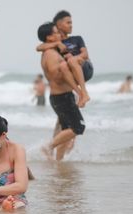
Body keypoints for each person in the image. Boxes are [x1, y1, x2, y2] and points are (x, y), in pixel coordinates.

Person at [38, 22, 86, 161]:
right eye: (56, 32)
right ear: (49, 37)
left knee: (66, 131)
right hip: (61, 97)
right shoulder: (50, 54)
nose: (59, 34)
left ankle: (58, 161)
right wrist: (69, 67)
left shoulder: (51, 50)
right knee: (78, 127)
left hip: (64, 96)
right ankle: (48, 147)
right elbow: (56, 77)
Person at [36, 10, 92, 108]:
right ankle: (79, 96)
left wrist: (76, 58)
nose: (71, 25)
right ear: (59, 25)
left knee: (71, 60)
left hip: (85, 67)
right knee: (63, 67)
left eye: (71, 23)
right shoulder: (57, 43)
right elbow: (39, 47)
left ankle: (84, 93)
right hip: (72, 71)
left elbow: (85, 54)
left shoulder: (77, 38)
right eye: (68, 22)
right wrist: (57, 43)